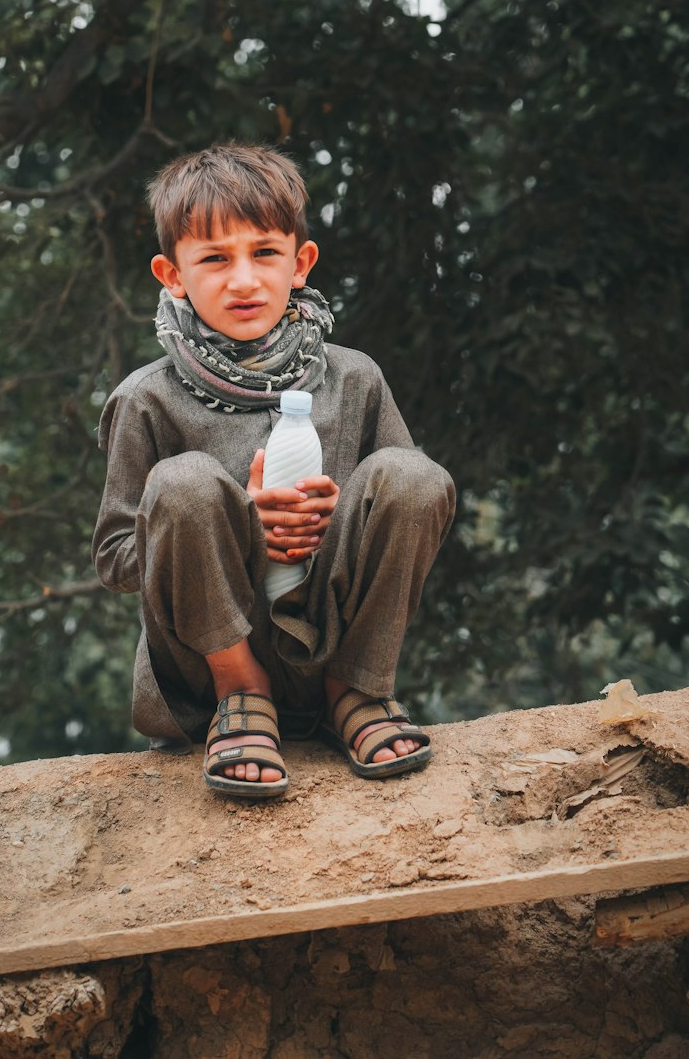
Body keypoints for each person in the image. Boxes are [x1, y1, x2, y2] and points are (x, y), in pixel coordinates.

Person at [92, 143, 455, 800]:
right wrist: (238, 521)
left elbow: (414, 510)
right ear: (171, 274)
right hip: (209, 669)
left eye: (263, 252)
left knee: (417, 475)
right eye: (213, 259)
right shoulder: (145, 399)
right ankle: (244, 692)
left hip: (332, 642)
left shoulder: (356, 378)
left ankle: (356, 690)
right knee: (183, 482)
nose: (244, 280)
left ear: (301, 260)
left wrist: (332, 518)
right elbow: (116, 562)